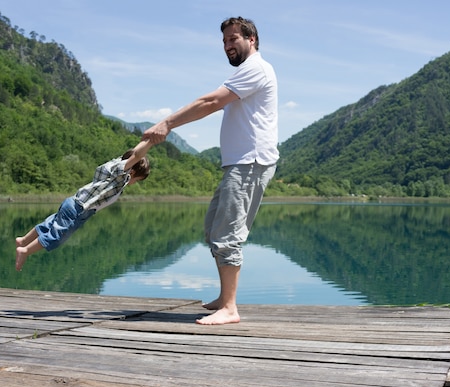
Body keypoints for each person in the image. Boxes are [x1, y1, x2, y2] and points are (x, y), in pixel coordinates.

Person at [143, 17, 278, 325]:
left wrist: (167, 123)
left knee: (227, 235)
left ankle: (230, 308)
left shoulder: (256, 69)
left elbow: (210, 102)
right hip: (239, 163)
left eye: (233, 39)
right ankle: (224, 297)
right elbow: (213, 103)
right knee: (214, 229)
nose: (228, 45)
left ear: (252, 39)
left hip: (250, 162)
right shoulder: (247, 72)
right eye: (225, 42)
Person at [15, 139, 152, 271]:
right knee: (57, 237)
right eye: (137, 180)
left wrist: (144, 140)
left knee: (49, 225)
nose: (135, 183)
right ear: (132, 172)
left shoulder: (113, 165)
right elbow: (136, 155)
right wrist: (150, 141)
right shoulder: (120, 174)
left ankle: (23, 240)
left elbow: (133, 154)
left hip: (74, 204)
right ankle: (25, 251)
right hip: (78, 209)